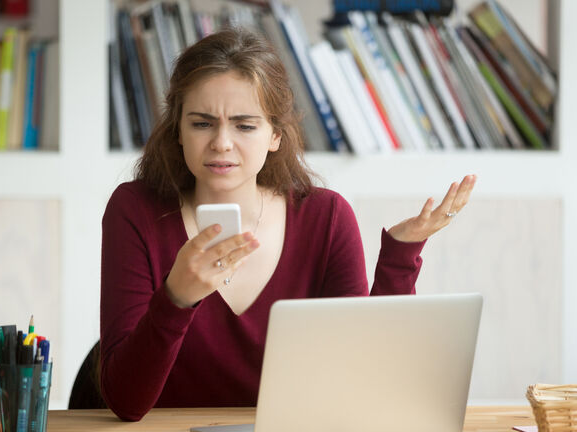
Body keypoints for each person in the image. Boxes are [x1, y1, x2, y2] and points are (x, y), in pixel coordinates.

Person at [99, 27, 476, 421]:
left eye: (245, 125)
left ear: (275, 134)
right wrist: (176, 297)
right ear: (177, 129)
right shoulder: (135, 210)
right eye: (202, 123)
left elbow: (365, 382)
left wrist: (399, 258)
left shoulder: (326, 218)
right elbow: (125, 401)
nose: (222, 143)